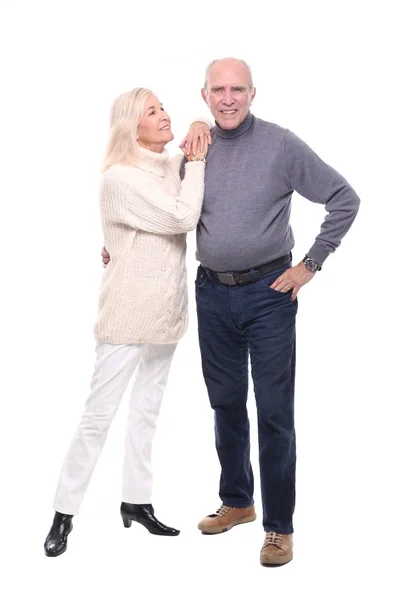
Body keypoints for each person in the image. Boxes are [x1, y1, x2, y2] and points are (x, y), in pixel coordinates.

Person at [103, 57, 360, 567]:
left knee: (273, 412)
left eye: (237, 89)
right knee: (224, 405)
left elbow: (344, 199)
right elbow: (152, 206)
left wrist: (310, 265)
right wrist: (116, 245)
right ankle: (238, 501)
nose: (227, 98)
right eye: (218, 89)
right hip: (211, 293)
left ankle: (279, 528)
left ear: (252, 94)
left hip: (270, 293)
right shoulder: (193, 148)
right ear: (203, 95)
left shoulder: (281, 145)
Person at [44, 87, 210, 557]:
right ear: (130, 127)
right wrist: (195, 161)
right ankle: (63, 514)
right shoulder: (120, 177)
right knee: (98, 418)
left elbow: (192, 146)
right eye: (151, 111)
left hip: (165, 310)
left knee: (147, 413)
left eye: (163, 107)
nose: (163, 115)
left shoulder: (165, 166)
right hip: (127, 311)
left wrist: (199, 126)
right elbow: (182, 216)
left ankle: (136, 502)